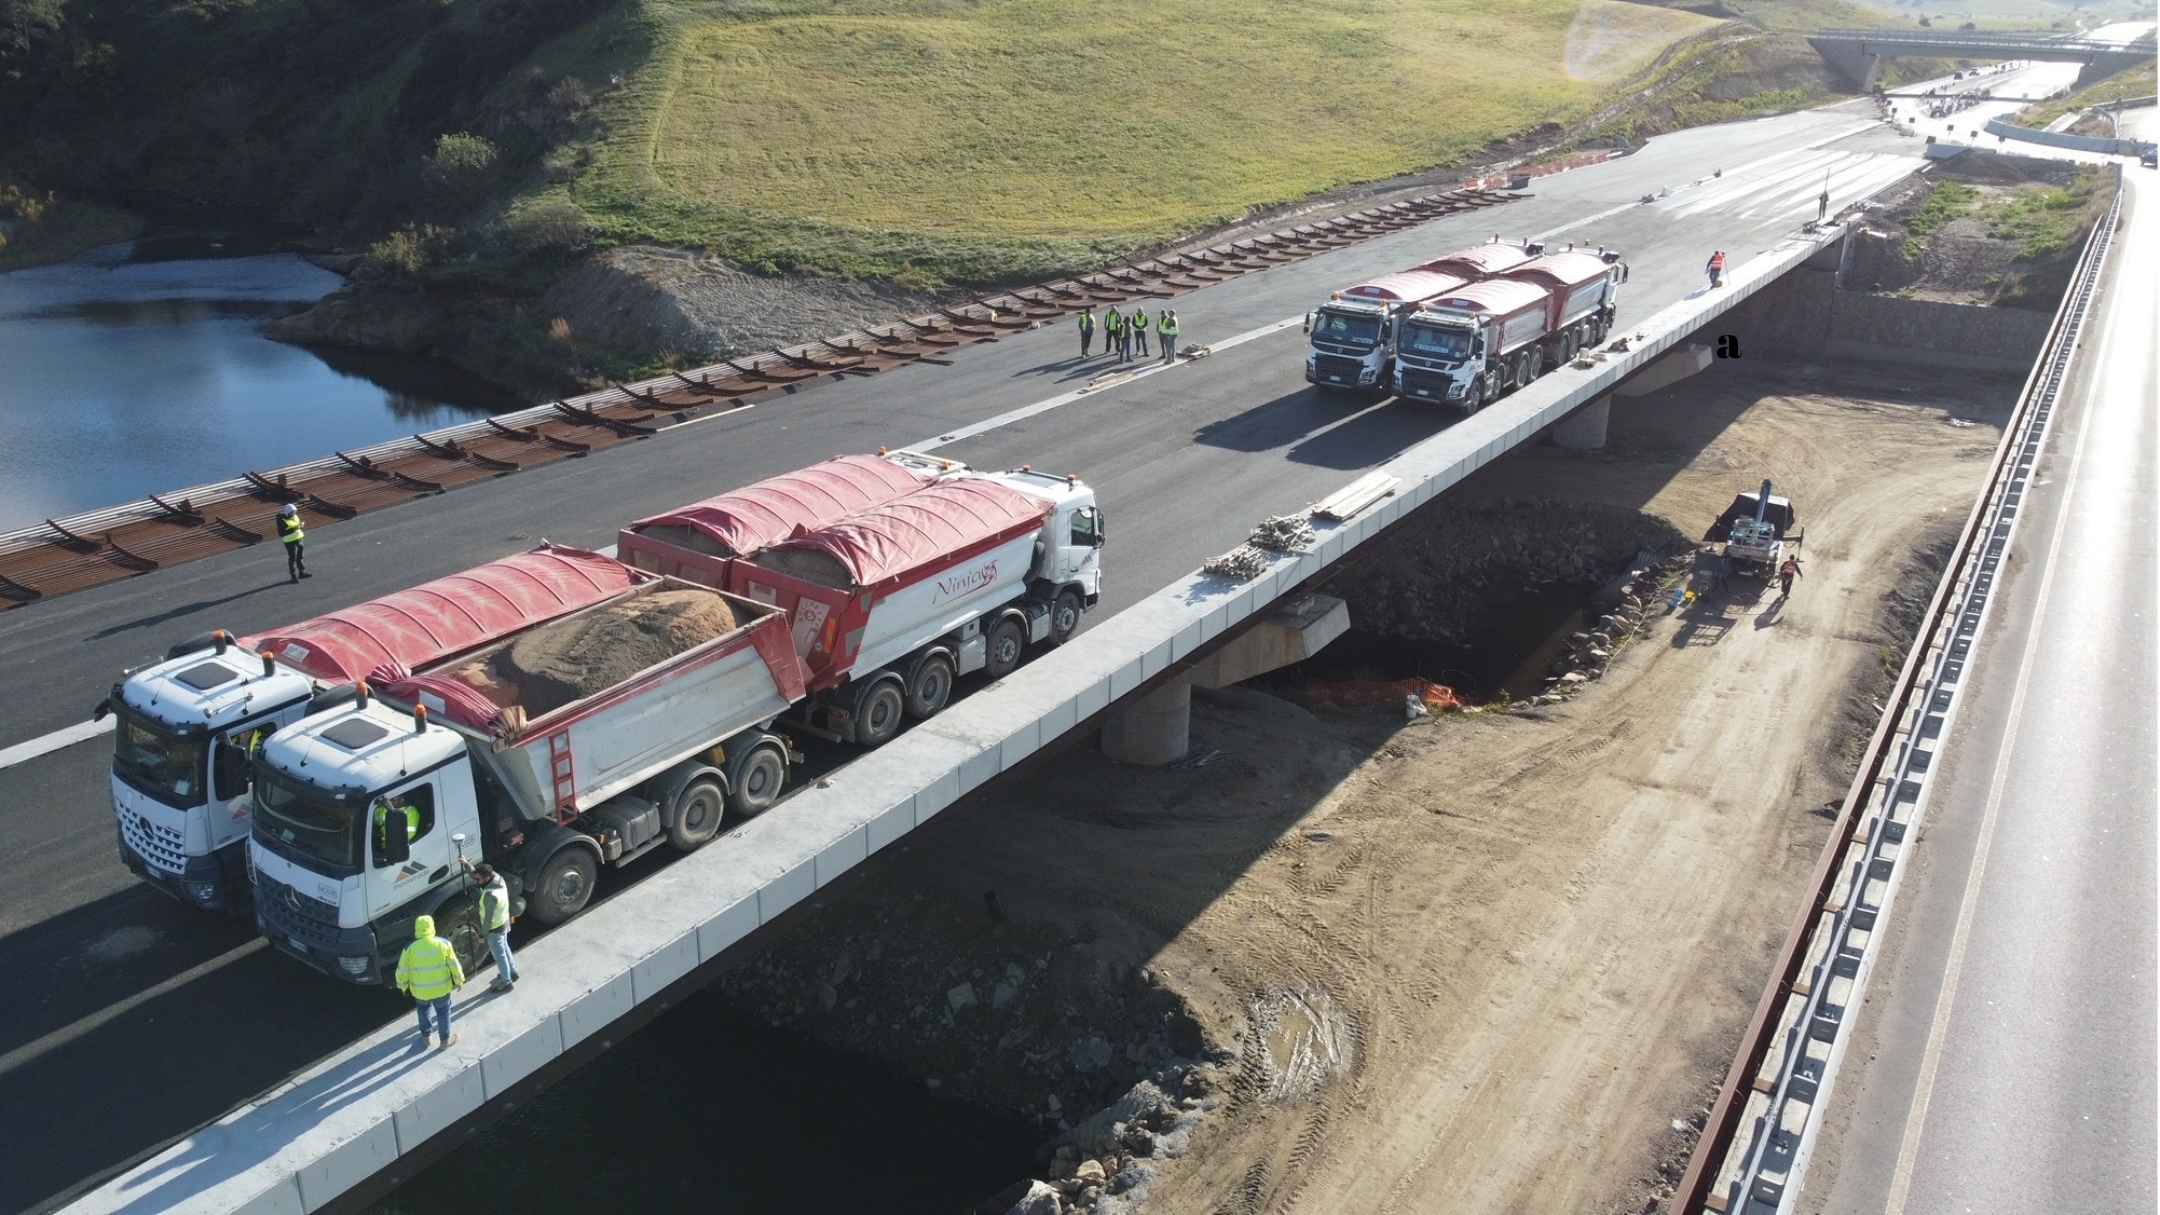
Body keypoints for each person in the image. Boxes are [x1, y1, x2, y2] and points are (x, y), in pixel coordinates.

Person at [395, 913, 465, 1049]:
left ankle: (426, 1037)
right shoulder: (443, 944)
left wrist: (402, 986)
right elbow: (454, 964)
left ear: (416, 929)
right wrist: (459, 980)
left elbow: (402, 970)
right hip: (442, 990)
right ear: (432, 927)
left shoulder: (409, 948)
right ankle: (444, 1041)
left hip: (420, 992)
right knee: (443, 1013)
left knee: (423, 1011)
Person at [465, 860, 518, 992]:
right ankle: (512, 971)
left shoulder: (490, 896)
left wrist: (483, 935)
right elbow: (476, 874)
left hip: (494, 929)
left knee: (499, 956)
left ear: (487, 877)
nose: (476, 882)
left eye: (478, 879)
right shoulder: (498, 878)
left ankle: (506, 982)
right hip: (504, 922)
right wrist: (466, 864)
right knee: (505, 948)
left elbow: (488, 919)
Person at [276, 503, 309, 582]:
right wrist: (297, 528)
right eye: (291, 512)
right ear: (287, 512)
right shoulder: (281, 520)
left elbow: (296, 525)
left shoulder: (294, 516)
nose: (293, 514)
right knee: (292, 558)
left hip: (299, 538)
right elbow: (281, 533)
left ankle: (301, 572)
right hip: (289, 541)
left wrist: (300, 527)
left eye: (294, 512)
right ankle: (293, 576)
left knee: (300, 556)